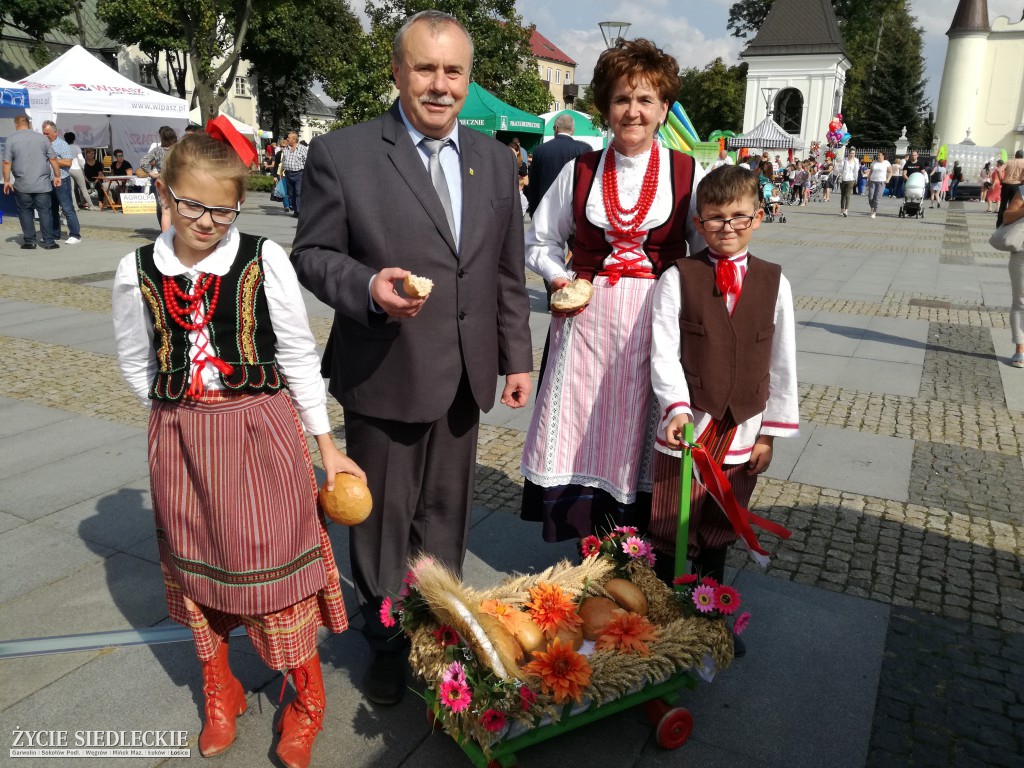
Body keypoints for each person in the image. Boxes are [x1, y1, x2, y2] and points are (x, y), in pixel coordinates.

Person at [290, 10, 533, 707]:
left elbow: (505, 273)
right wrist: (367, 286)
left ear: (468, 79)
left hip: (465, 375)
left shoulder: (495, 160)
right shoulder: (346, 153)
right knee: (385, 518)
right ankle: (387, 639)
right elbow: (313, 255)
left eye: (452, 71)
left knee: (446, 513)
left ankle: (436, 625)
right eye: (424, 68)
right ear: (398, 72)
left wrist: (516, 357)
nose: (439, 84)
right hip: (386, 371)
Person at [112, 130, 363, 768]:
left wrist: (326, 447)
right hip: (183, 440)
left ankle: (307, 698)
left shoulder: (261, 258)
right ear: (166, 195)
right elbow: (136, 361)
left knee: (275, 565)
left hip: (261, 432)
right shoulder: (136, 270)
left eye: (223, 210)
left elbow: (301, 356)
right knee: (200, 564)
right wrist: (180, 408)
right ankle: (219, 686)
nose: (207, 222)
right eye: (192, 206)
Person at [520, 38, 705, 549]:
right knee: (586, 424)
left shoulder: (687, 173)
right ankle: (589, 546)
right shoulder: (579, 171)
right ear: (606, 106)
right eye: (623, 99)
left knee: (642, 431)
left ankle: (640, 548)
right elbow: (539, 242)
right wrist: (560, 278)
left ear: (664, 108)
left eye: (646, 100)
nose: (634, 111)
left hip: (655, 325)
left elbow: (705, 249)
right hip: (586, 326)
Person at [648, 164, 798, 653]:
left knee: (719, 529)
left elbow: (783, 361)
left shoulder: (776, 282)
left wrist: (769, 434)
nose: (727, 227)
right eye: (714, 218)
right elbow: (663, 349)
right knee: (672, 526)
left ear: (759, 217)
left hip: (743, 430)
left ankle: (711, 619)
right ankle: (666, 620)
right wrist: (675, 407)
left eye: (738, 216)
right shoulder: (679, 277)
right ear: (698, 220)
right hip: (688, 429)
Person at [2, 114, 61, 249]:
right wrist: (57, 175)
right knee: (45, 212)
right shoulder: (42, 138)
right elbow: (53, 158)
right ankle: (49, 242)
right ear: (29, 124)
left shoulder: (11, 139)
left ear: (16, 125)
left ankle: (30, 241)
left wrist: (6, 180)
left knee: (25, 211)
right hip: (43, 184)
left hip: (23, 184)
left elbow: (6, 161)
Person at [526, 112, 591, 215]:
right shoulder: (584, 149)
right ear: (573, 130)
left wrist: (534, 212)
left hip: (545, 211)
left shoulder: (540, 150)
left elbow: (534, 184)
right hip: (572, 212)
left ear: (556, 128)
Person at [41, 120, 82, 244]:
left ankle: (75, 235)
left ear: (55, 132)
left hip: (62, 180)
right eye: (43, 133)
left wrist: (52, 160)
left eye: (47, 133)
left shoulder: (62, 144)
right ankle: (55, 234)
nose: (45, 135)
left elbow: (68, 162)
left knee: (67, 208)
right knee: (51, 209)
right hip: (47, 180)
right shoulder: (43, 144)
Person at [139, 125, 178, 231]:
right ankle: (177, 231)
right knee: (177, 206)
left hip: (163, 179)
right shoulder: (178, 149)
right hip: (177, 180)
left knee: (164, 209)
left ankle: (164, 234)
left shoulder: (158, 150)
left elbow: (143, 162)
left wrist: (151, 173)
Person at [1003, 186, 1024, 367]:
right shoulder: (1023, 191)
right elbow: (1007, 216)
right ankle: (1020, 350)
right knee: (1021, 301)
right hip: (1022, 254)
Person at [280, 131, 306, 217]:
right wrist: (281, 171)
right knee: (291, 193)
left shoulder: (302, 149)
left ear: (294, 140)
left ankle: (299, 211)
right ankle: (295, 210)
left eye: (289, 138)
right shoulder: (286, 149)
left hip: (299, 174)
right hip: (288, 174)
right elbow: (283, 161)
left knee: (298, 192)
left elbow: (307, 162)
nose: (287, 139)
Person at [64, 131, 91, 210]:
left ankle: (75, 206)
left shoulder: (64, 147)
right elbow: (81, 159)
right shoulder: (76, 147)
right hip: (76, 168)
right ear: (74, 139)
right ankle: (91, 205)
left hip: (68, 169)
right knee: (83, 188)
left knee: (71, 189)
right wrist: (82, 167)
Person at [997, 150, 1024, 228]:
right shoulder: (1023, 162)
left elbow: (999, 170)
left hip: (1006, 184)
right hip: (1017, 184)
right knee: (1012, 206)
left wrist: (1001, 180)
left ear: (1015, 155)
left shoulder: (1009, 162)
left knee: (1003, 204)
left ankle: (999, 223)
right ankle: (1009, 224)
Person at [867, 151, 892, 219]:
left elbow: (890, 172)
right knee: (870, 196)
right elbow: (871, 171)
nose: (878, 156)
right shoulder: (874, 162)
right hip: (872, 181)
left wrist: (888, 179)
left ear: (883, 156)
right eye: (878, 155)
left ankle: (874, 211)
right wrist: (868, 180)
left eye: (879, 155)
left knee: (877, 197)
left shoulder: (886, 163)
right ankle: (872, 207)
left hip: (881, 182)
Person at [836, 147, 859, 217]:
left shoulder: (856, 161)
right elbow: (840, 169)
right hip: (843, 179)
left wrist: (856, 179)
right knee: (843, 195)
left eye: (853, 153)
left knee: (848, 195)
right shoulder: (844, 160)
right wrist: (839, 176)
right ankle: (842, 209)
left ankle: (846, 210)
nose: (852, 154)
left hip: (851, 179)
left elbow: (856, 171)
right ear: (848, 153)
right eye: (851, 153)